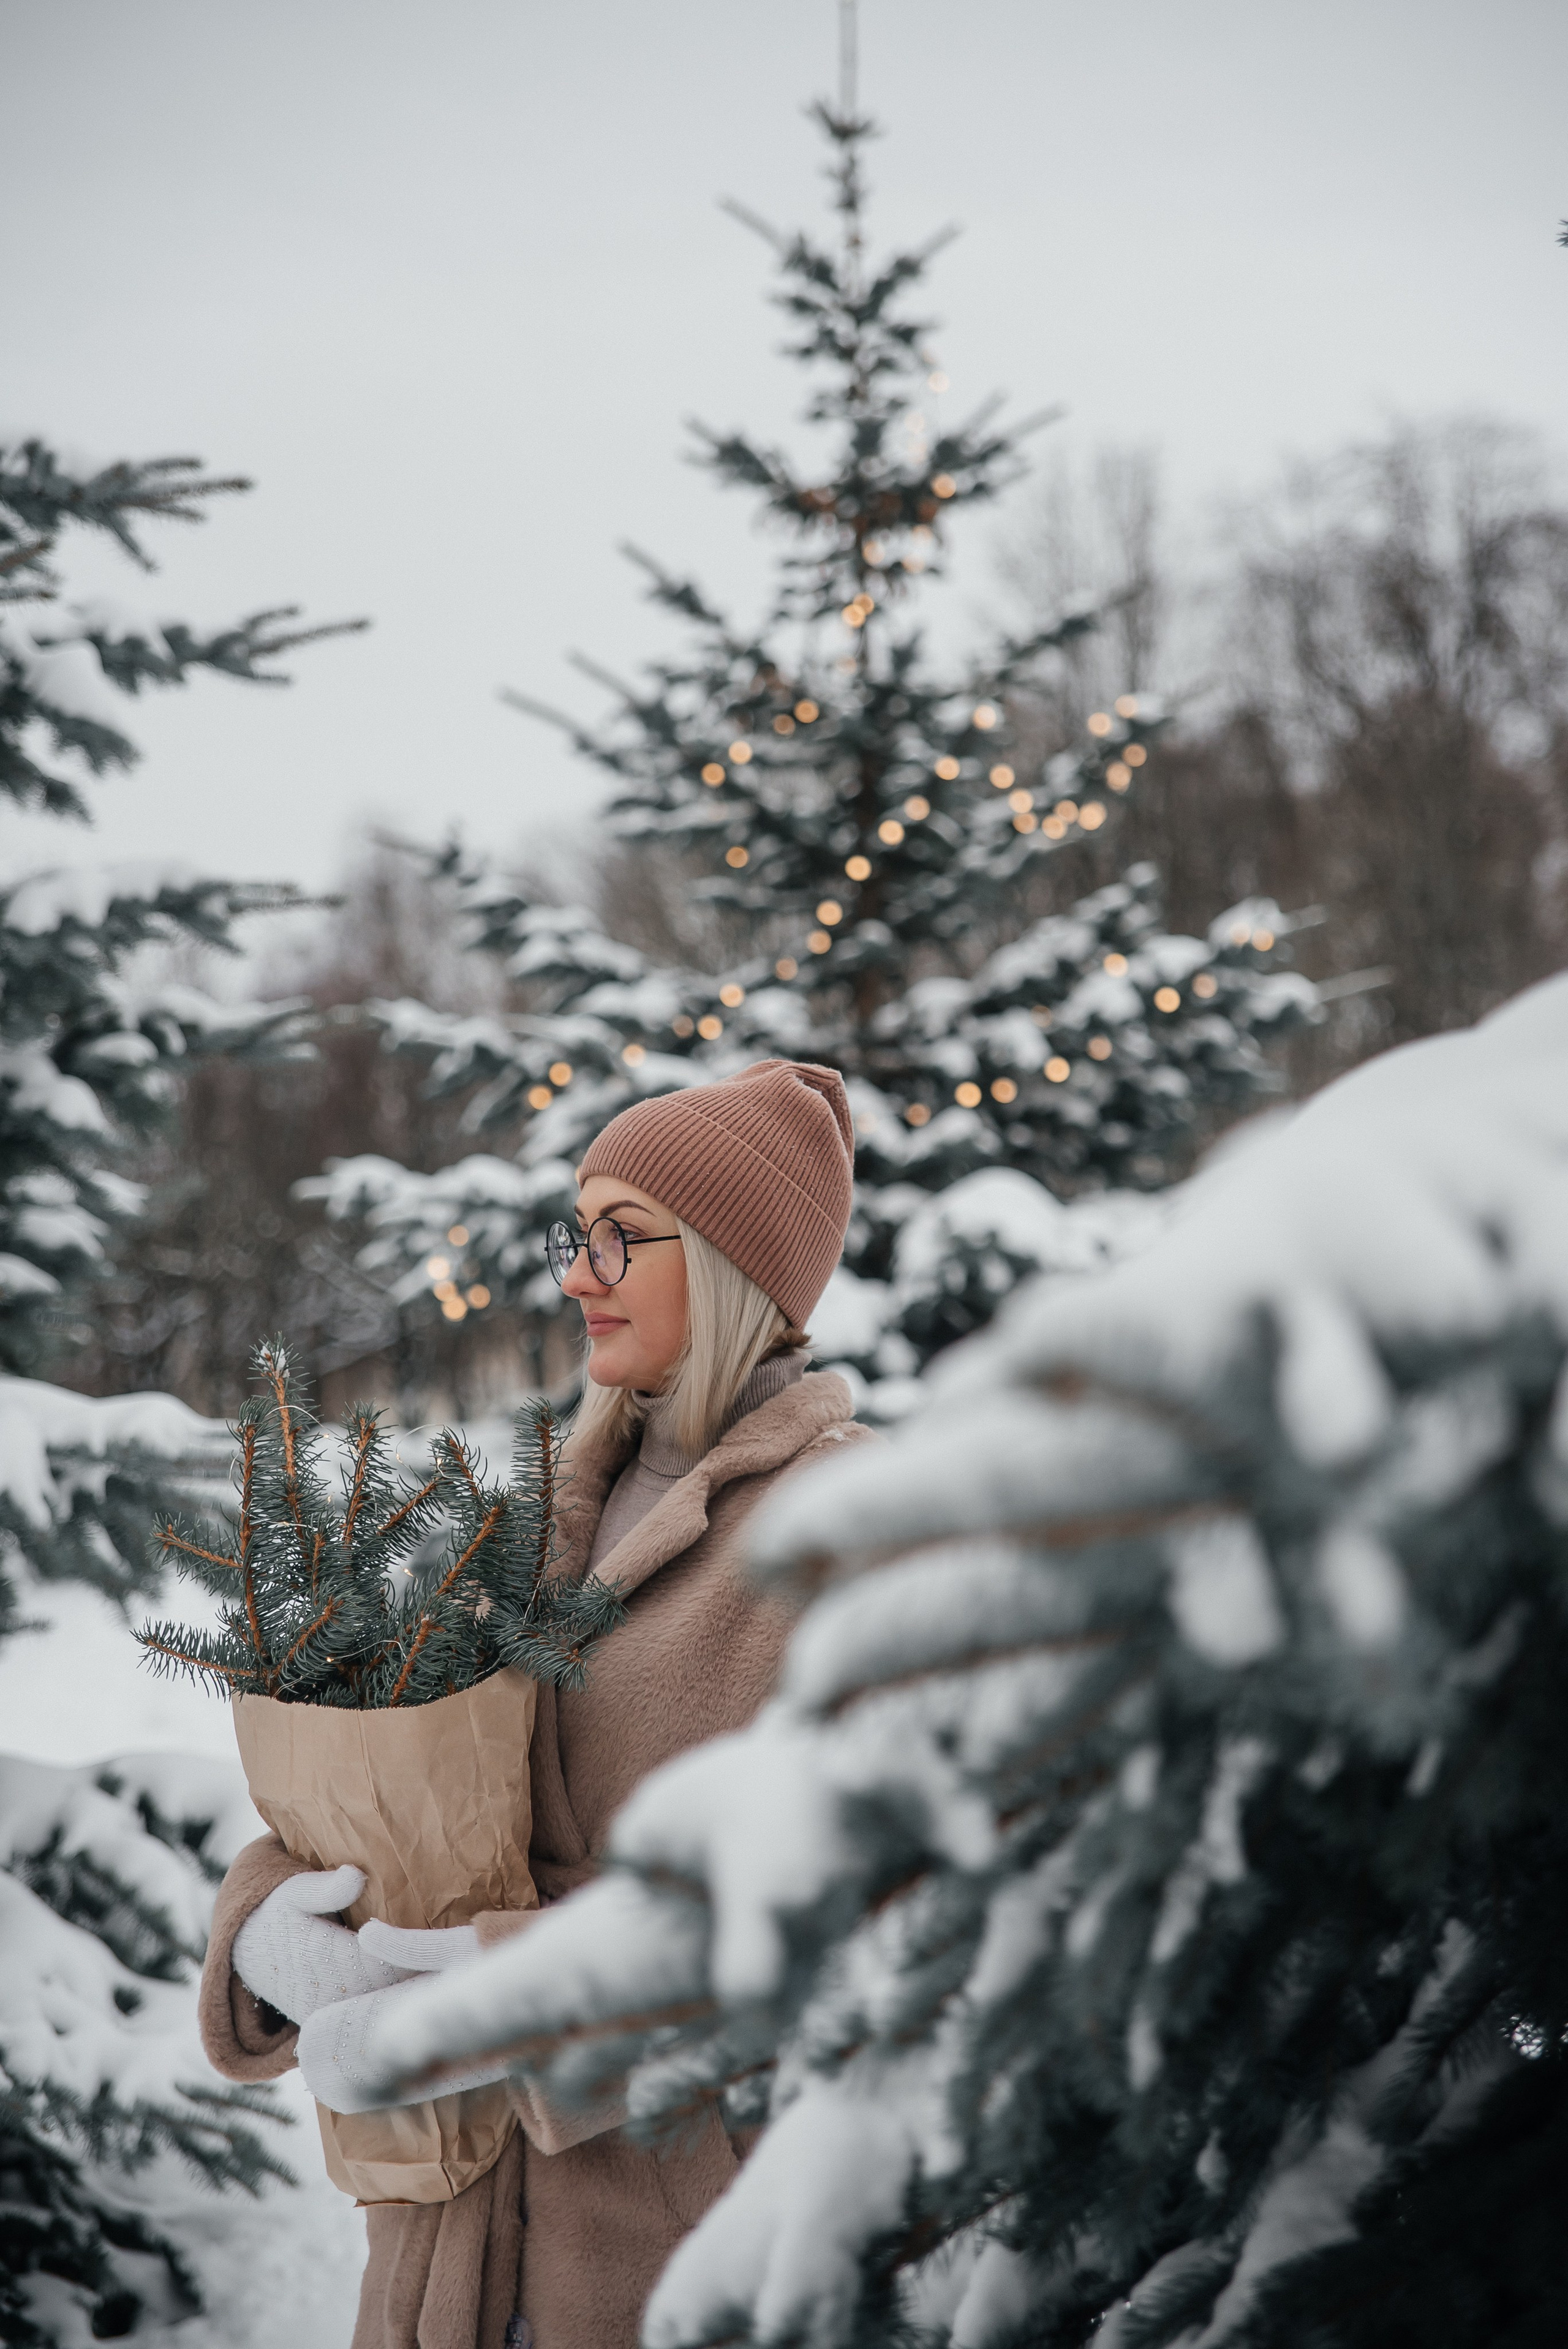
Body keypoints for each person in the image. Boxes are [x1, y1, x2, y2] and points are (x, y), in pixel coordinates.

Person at [197, 1058, 873, 2349]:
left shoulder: (847, 1535)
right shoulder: (518, 1516)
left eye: (623, 1237)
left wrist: (511, 1996)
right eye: (578, 1233)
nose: (576, 1273)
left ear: (734, 1263)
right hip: (445, 2259)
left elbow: (856, 1925)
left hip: (665, 2268)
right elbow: (394, 1785)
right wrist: (268, 1926)